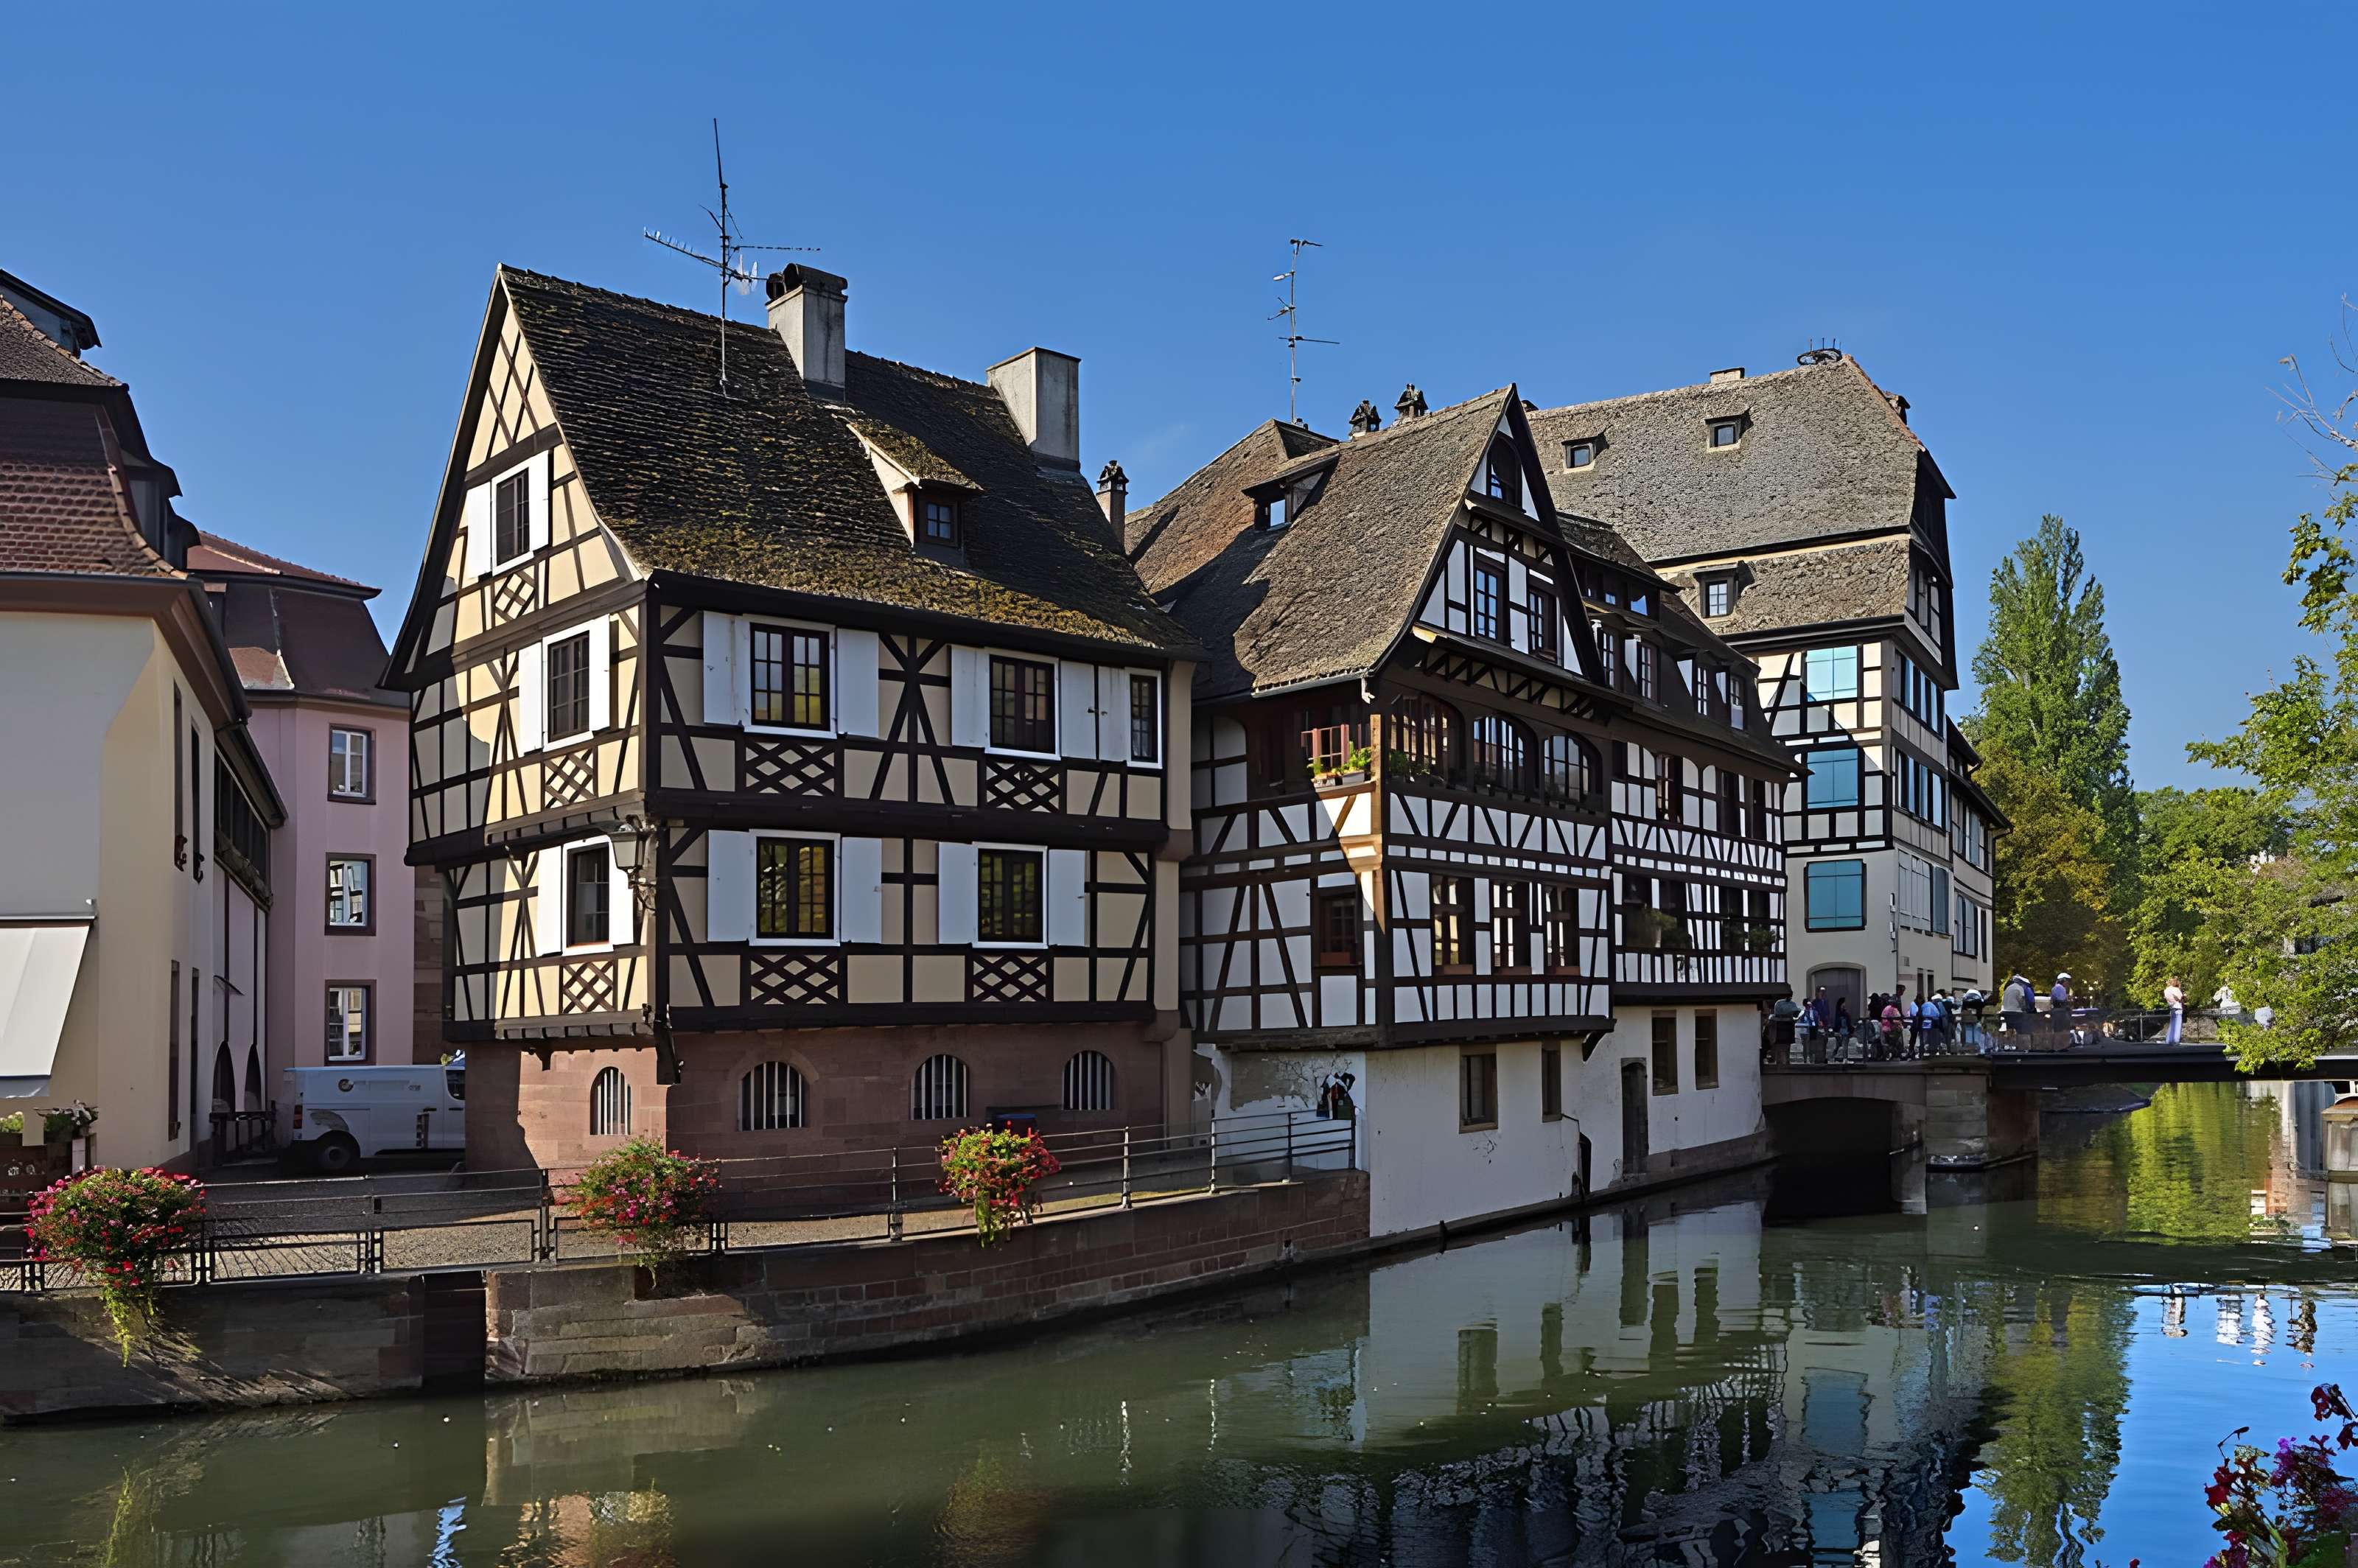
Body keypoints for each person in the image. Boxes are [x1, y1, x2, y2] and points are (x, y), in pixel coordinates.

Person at [2051, 972, 2074, 1046]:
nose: (2068, 983)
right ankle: (2060, 1045)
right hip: (2060, 1011)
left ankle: (2059, 1045)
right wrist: (2067, 1003)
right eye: (2067, 981)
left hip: (2058, 1011)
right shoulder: (2060, 988)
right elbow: (2061, 1000)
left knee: (2058, 1029)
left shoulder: (2057, 988)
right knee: (2061, 1029)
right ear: (2064, 980)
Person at [2163, 974, 2186, 1046]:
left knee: (2172, 1024)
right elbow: (2180, 998)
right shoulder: (2176, 989)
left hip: (2172, 1007)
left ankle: (2170, 1040)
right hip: (2178, 1007)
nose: (2177, 982)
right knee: (2178, 1024)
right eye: (2175, 981)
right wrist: (2182, 996)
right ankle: (2176, 1040)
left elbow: (2169, 999)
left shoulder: (2166, 990)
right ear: (2172, 982)